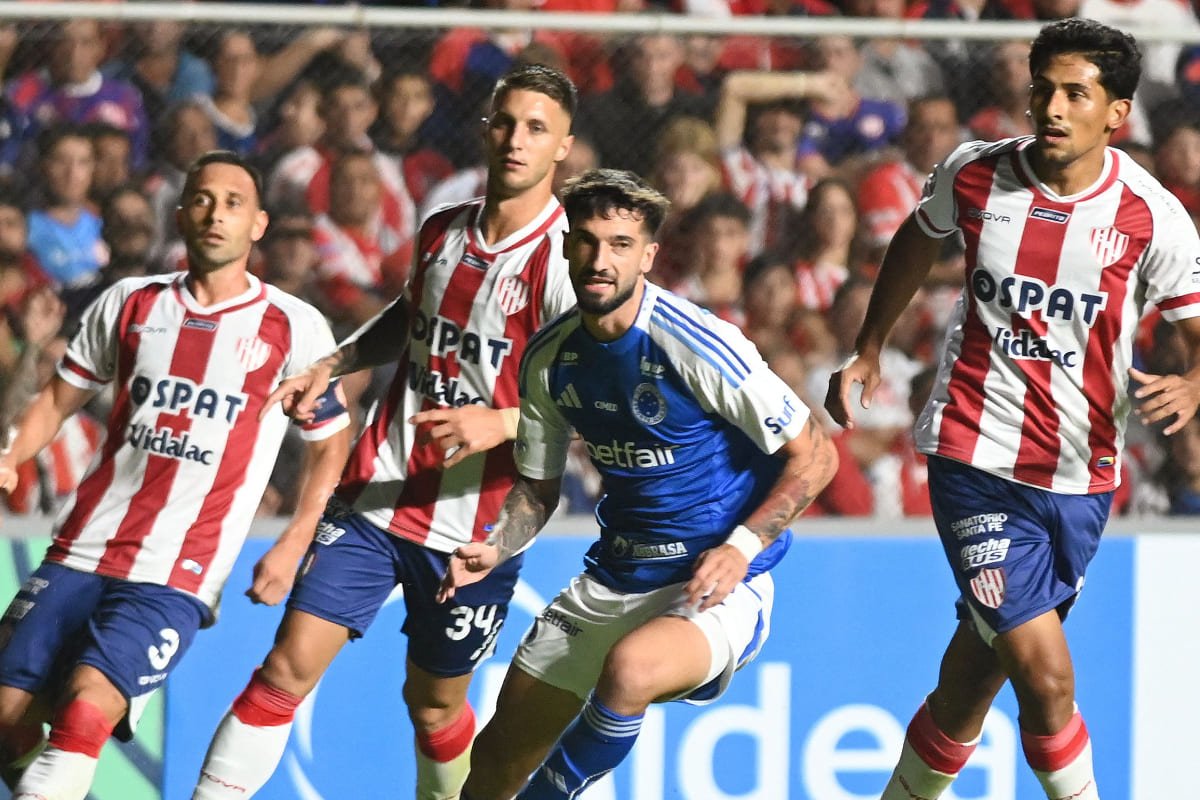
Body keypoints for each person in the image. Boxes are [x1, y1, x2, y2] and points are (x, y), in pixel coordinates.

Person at [825, 19, 1200, 800]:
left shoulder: (1151, 214)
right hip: (974, 455)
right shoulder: (973, 174)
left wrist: (1194, 381)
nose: (1053, 108)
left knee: (976, 672)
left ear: (1117, 113)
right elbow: (915, 240)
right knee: (1048, 677)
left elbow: (1196, 326)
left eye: (1076, 93)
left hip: (1082, 476)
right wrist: (868, 346)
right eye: (1043, 89)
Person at [191, 63, 580, 800]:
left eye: (537, 128)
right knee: (285, 669)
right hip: (377, 492)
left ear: (563, 146)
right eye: (506, 122)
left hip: (479, 524)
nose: (517, 140)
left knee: (432, 704)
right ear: (486, 129)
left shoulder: (563, 263)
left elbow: (592, 400)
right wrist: (334, 363)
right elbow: (413, 319)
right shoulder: (442, 231)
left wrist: (498, 420)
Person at [438, 168, 836, 800]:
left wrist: (740, 549)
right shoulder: (548, 357)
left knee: (631, 670)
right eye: (589, 241)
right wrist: (495, 546)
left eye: (621, 245)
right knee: (490, 768)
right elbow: (536, 490)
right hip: (615, 575)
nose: (602, 260)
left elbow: (815, 458)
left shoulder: (696, 342)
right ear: (567, 246)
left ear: (648, 256)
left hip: (715, 581)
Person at [0, 149, 352, 800]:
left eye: (234, 203)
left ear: (259, 224)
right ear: (183, 214)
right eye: (203, 200)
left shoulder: (294, 329)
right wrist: (8, 454)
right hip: (81, 548)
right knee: (7, 721)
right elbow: (55, 401)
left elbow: (333, 446)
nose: (217, 214)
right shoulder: (129, 304)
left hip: (177, 571)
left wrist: (296, 539)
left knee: (86, 706)